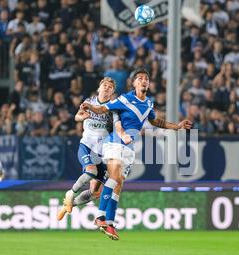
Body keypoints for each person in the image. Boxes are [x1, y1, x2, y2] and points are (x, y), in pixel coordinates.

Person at [81, 68, 192, 240]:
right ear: (134, 83)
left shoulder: (148, 103)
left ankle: (110, 222)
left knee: (118, 185)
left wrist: (177, 126)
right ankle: (100, 216)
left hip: (129, 148)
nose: (143, 80)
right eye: (139, 78)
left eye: (146, 78)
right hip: (114, 143)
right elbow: (103, 109)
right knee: (114, 176)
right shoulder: (125, 99)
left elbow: (156, 121)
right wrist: (90, 107)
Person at [57, 77, 121, 220]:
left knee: (95, 193)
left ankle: (68, 205)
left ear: (112, 92)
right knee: (91, 171)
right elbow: (76, 117)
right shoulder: (89, 102)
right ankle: (70, 193)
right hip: (87, 145)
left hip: (101, 153)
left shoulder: (113, 108)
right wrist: (82, 117)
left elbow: (116, 127)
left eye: (110, 87)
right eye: (104, 85)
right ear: (99, 88)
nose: (106, 88)